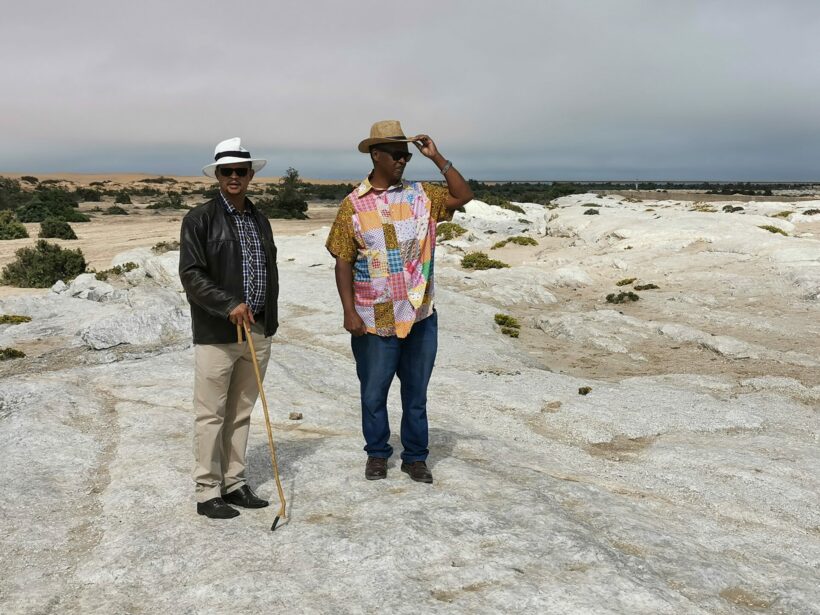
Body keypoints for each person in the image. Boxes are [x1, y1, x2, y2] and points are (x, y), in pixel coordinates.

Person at [326, 120, 473, 483]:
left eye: (406, 155)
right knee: (373, 392)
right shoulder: (353, 206)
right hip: (374, 318)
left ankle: (415, 457)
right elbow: (343, 259)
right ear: (375, 154)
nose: (402, 161)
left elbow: (463, 195)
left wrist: (436, 156)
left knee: (416, 394)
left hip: (420, 314)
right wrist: (349, 312)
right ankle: (377, 454)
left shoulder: (421, 196)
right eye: (395, 154)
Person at [179, 137, 279, 519]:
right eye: (227, 171)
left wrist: (267, 321)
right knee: (211, 414)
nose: (234, 177)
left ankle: (234, 483)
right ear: (217, 175)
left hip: (256, 330)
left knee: (241, 411)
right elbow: (191, 274)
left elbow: (268, 272)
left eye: (241, 171)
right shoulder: (199, 219)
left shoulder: (259, 218)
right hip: (218, 333)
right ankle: (207, 492)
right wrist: (227, 304)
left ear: (251, 175)